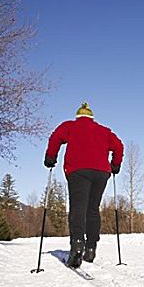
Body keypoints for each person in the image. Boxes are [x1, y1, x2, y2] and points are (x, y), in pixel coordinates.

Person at [44, 102, 124, 268]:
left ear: (78, 116)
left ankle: (77, 245)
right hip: (101, 173)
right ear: (91, 117)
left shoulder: (70, 126)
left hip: (78, 170)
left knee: (78, 208)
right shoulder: (104, 131)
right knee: (93, 210)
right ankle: (91, 248)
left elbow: (55, 138)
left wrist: (50, 158)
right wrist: (115, 165)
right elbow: (119, 146)